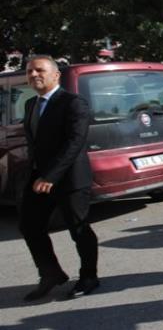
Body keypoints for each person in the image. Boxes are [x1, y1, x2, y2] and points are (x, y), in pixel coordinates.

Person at [19, 55, 99, 301]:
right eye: (30, 71)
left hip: (70, 178)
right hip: (40, 178)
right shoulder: (31, 104)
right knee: (30, 225)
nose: (33, 75)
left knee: (78, 229)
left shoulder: (74, 103)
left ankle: (88, 276)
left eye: (39, 70)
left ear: (56, 75)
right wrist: (35, 173)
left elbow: (74, 143)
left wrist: (51, 175)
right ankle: (51, 273)